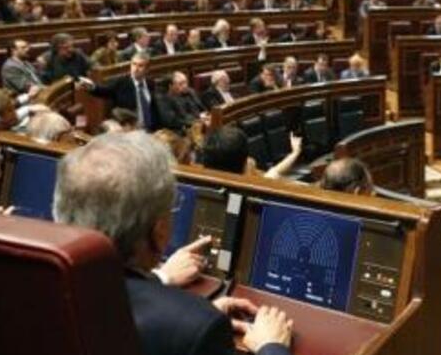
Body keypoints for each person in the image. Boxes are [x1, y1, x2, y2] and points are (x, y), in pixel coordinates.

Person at [52, 131, 293, 355]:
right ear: (158, 232)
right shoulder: (198, 327)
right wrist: (272, 346)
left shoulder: (39, 287)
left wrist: (182, 305)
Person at [80, 53, 162, 131]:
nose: (136, 69)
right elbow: (105, 91)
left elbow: (154, 109)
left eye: (140, 66)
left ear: (147, 69)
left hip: (151, 129)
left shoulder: (150, 83)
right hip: (130, 128)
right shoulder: (122, 82)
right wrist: (92, 87)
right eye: (134, 64)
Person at [202, 125, 302, 179]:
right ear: (245, 165)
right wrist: (296, 152)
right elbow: (274, 172)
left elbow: (275, 171)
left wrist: (295, 153)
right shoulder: (257, 189)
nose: (251, 159)